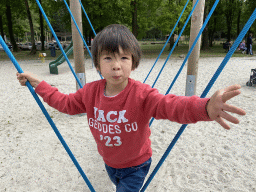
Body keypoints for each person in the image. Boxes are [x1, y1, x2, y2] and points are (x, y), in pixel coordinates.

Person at [16, 24, 246, 192]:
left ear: (133, 62)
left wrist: (205, 107)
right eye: (108, 58)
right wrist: (39, 84)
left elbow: (172, 105)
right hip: (109, 162)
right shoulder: (90, 92)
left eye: (124, 58)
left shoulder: (142, 95)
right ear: (97, 64)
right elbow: (65, 103)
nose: (116, 66)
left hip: (136, 165)